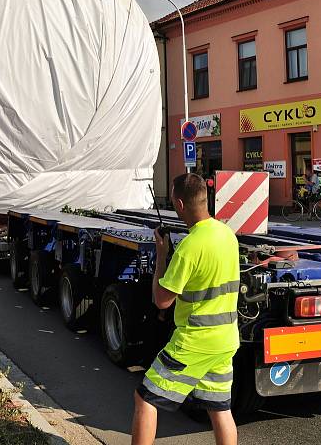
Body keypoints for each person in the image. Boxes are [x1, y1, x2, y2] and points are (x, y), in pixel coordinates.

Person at [132, 173, 239, 445]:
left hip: (195, 340)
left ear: (179, 203)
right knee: (220, 408)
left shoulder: (189, 247)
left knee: (145, 397)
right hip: (226, 338)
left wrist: (161, 255)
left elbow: (162, 301)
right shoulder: (227, 234)